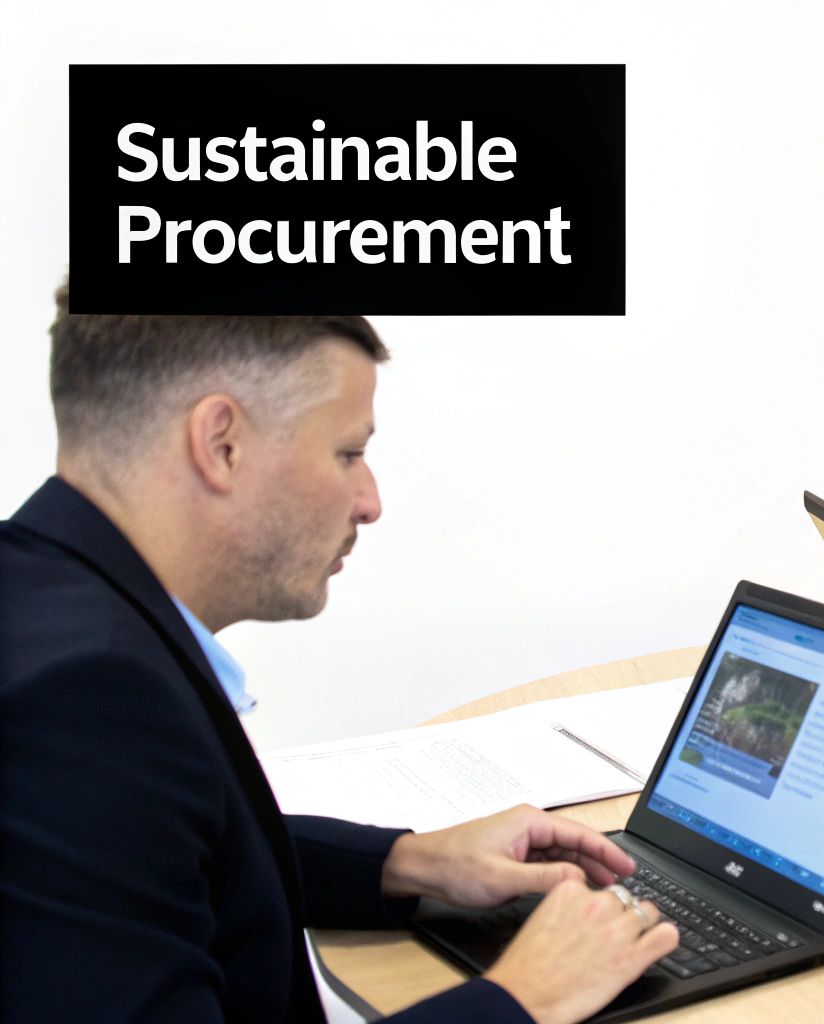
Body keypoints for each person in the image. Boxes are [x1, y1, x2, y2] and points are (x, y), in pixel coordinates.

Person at [0, 290, 680, 1022]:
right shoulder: (85, 701)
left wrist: (405, 864)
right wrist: (523, 998)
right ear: (221, 443)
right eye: (348, 452)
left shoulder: (34, 596)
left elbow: (147, 858)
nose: (370, 500)